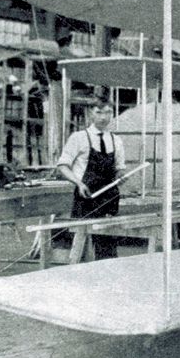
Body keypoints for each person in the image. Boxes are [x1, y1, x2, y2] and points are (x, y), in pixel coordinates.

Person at [57, 95, 126, 259]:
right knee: (81, 245)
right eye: (99, 112)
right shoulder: (78, 138)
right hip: (85, 197)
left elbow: (120, 169)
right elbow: (63, 166)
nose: (104, 117)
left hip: (108, 199)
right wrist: (79, 183)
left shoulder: (116, 140)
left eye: (108, 112)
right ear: (90, 114)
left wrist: (121, 177)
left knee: (107, 246)